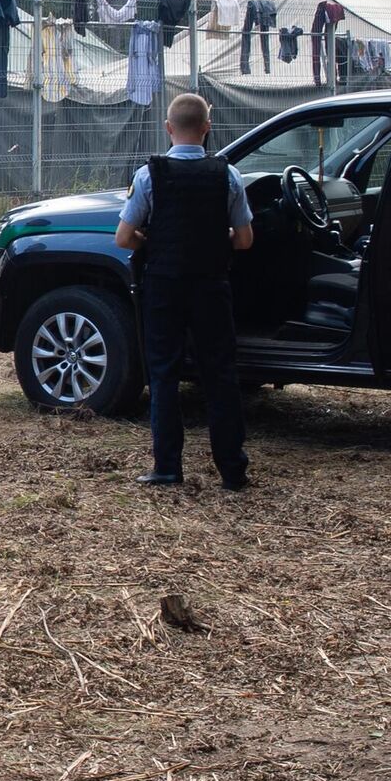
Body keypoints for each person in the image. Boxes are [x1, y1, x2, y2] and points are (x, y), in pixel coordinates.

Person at [114, 92, 254, 491]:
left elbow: (124, 237)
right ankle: (232, 470)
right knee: (220, 375)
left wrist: (150, 241)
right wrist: (219, 235)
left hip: (164, 287)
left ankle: (168, 467)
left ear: (168, 128)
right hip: (211, 285)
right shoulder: (227, 175)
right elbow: (244, 240)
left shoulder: (148, 176)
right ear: (207, 128)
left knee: (163, 374)